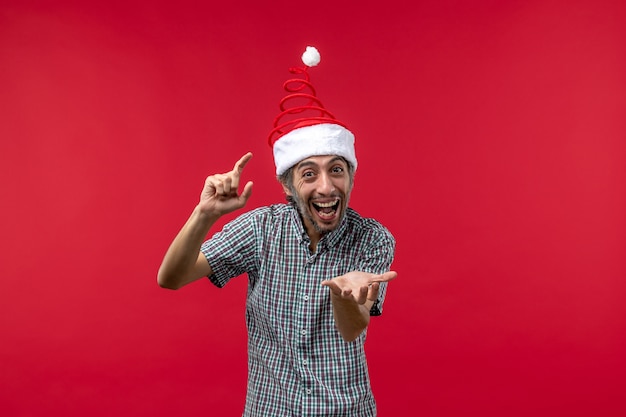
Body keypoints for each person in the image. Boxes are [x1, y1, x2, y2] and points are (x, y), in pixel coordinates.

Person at [157, 46, 397, 417]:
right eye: (308, 174)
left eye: (337, 169)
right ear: (287, 185)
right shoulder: (260, 229)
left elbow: (353, 330)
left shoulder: (374, 238)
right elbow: (171, 278)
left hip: (346, 410)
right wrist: (204, 215)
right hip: (270, 409)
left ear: (351, 176)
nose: (326, 187)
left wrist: (345, 296)